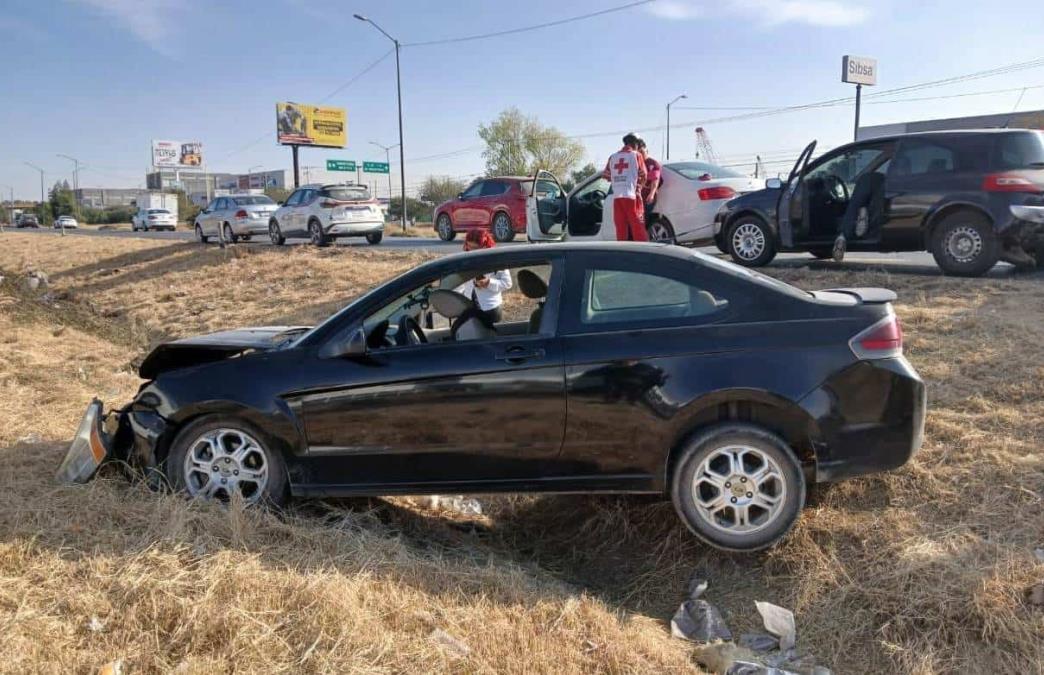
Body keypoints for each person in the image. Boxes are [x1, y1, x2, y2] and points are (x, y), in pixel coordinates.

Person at [457, 229, 512, 324]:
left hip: (490, 308)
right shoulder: (464, 259)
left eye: (476, 248)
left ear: (485, 245)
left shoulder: (497, 259)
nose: (471, 251)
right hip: (469, 307)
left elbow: (507, 283)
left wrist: (489, 283)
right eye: (469, 246)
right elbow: (459, 282)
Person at [602, 133, 648, 241]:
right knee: (638, 227)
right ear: (635, 144)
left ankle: (622, 251)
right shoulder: (636, 155)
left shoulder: (613, 157)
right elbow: (644, 175)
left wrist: (619, 179)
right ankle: (643, 252)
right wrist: (639, 187)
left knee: (620, 228)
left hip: (617, 197)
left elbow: (606, 176)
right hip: (632, 196)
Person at [636, 138, 662, 224]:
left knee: (642, 221)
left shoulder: (652, 163)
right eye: (638, 152)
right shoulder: (637, 164)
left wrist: (651, 194)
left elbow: (655, 180)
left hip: (647, 197)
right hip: (638, 197)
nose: (641, 154)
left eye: (642, 152)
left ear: (646, 150)